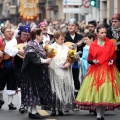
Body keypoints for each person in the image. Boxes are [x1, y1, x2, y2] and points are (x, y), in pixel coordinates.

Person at [75, 24, 120, 120]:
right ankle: (99, 115)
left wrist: (112, 61)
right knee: (97, 92)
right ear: (97, 33)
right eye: (102, 33)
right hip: (95, 71)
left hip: (108, 70)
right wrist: (93, 61)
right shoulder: (93, 45)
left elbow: (114, 57)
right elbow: (89, 59)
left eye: (105, 33)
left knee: (105, 92)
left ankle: (102, 115)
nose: (104, 34)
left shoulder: (110, 44)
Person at [21, 28, 52, 119]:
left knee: (35, 91)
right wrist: (46, 60)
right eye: (41, 35)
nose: (43, 36)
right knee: (33, 92)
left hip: (36, 72)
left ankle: (32, 111)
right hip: (30, 72)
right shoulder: (31, 45)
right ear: (37, 36)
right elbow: (34, 58)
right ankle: (33, 112)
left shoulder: (38, 45)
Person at [4, 24, 31, 113]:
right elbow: (7, 49)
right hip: (18, 66)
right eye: (24, 34)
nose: (26, 37)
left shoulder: (31, 41)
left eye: (27, 35)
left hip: (28, 67)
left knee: (28, 86)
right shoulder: (15, 41)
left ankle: (27, 103)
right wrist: (18, 51)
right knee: (20, 85)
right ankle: (22, 104)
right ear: (20, 33)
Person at [48, 31, 75, 116]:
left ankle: (60, 108)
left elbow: (72, 57)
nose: (63, 41)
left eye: (63, 39)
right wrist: (56, 65)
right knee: (55, 91)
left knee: (63, 89)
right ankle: (53, 109)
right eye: (61, 39)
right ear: (55, 39)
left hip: (64, 71)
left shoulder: (67, 48)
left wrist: (68, 63)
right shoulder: (51, 47)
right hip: (54, 71)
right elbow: (49, 59)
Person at [65, 18, 83, 96]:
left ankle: (77, 94)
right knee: (67, 78)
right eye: (69, 25)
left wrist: (80, 47)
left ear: (76, 27)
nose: (70, 27)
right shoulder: (64, 36)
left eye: (72, 25)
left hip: (75, 61)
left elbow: (83, 50)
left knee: (75, 77)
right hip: (66, 60)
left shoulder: (80, 37)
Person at [0, 27, 17, 110]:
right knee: (0, 85)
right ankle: (1, 100)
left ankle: (10, 103)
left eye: (10, 31)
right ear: (4, 33)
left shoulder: (14, 41)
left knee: (11, 85)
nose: (10, 33)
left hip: (12, 67)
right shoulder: (0, 41)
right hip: (2, 67)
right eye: (7, 31)